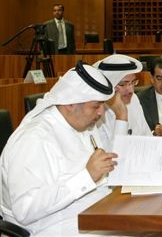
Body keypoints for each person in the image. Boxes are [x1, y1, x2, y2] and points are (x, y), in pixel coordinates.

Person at [0, 62, 118, 236]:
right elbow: (25, 210)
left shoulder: (82, 124)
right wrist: (86, 177)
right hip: (49, 227)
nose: (101, 112)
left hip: (87, 213)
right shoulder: (34, 138)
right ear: (70, 103)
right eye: (96, 106)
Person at [93, 54, 151, 143]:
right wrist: (121, 116)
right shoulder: (96, 110)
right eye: (123, 84)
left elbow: (147, 137)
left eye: (133, 82)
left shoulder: (134, 99)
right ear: (109, 84)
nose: (131, 90)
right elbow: (111, 151)